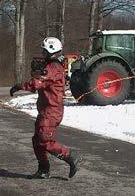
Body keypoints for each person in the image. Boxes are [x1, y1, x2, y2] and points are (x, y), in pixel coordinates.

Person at [9, 37, 82, 179]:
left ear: (51, 51)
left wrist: (19, 86)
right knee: (37, 140)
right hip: (46, 111)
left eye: (44, 51)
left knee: (45, 141)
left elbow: (37, 83)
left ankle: (71, 157)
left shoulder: (53, 68)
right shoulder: (52, 67)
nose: (42, 54)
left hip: (51, 112)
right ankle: (44, 169)